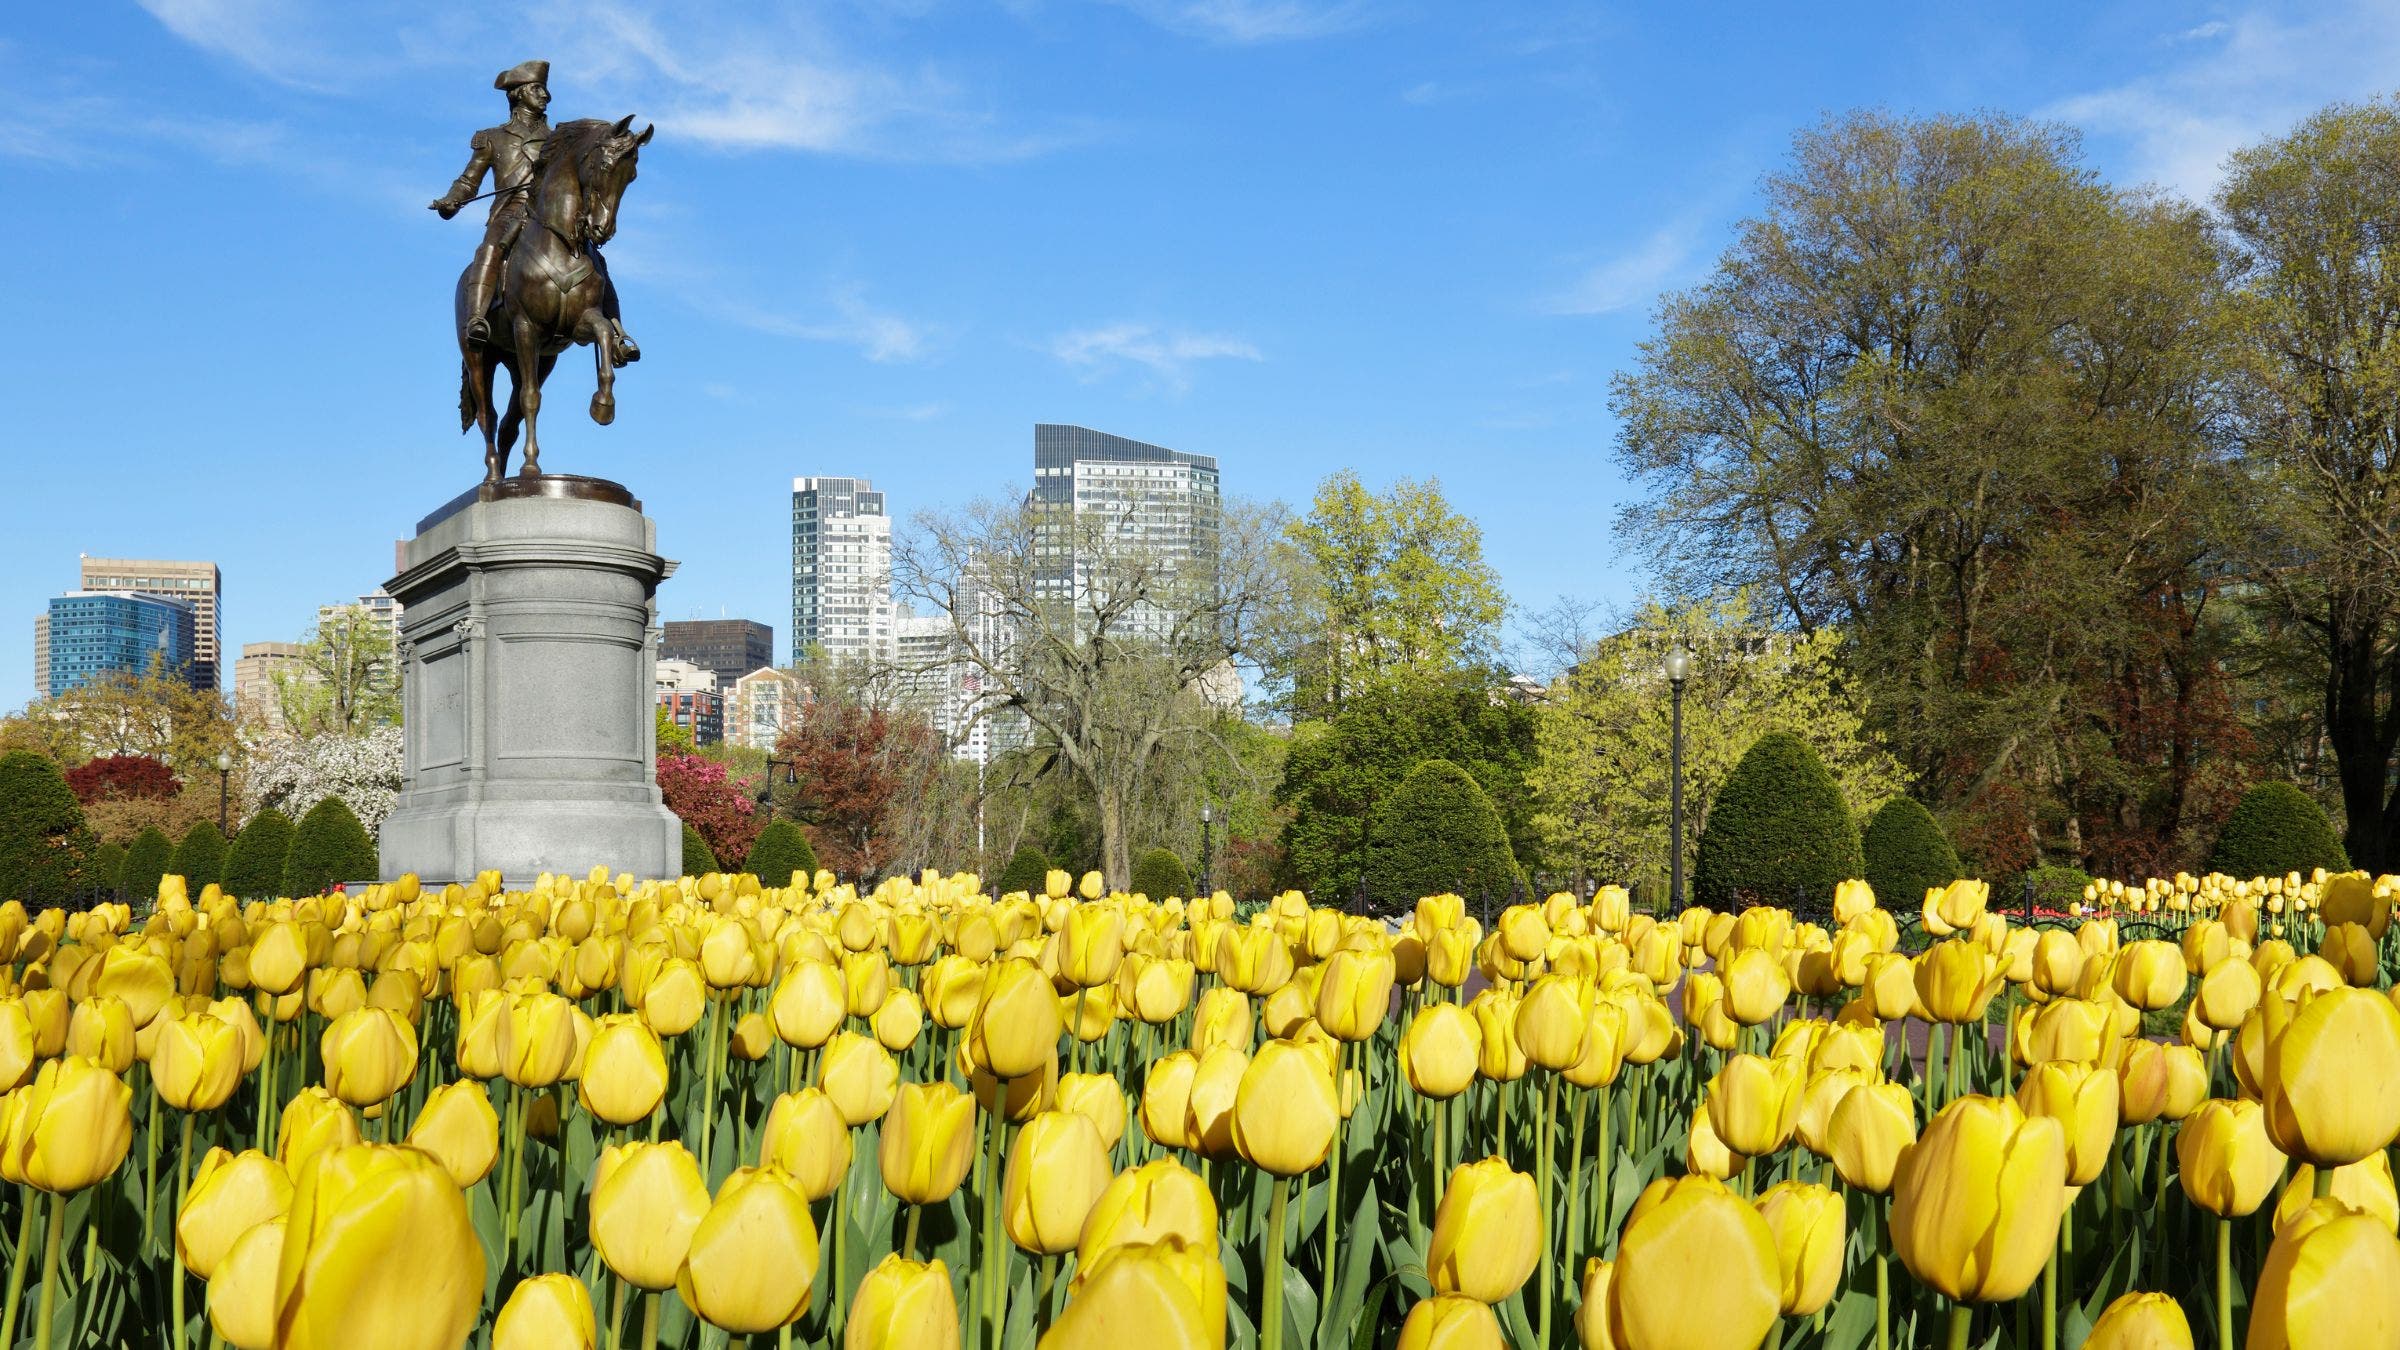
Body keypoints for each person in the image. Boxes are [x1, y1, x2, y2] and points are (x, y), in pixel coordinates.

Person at [429, 60, 553, 346]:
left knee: (593, 258)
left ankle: (616, 332)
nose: (546, 95)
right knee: (490, 249)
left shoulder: (557, 138)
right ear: (517, 94)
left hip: (546, 214)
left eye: (545, 90)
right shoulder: (493, 138)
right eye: (538, 89)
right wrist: (452, 200)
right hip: (509, 212)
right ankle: (476, 317)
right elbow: (468, 181)